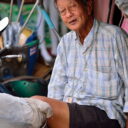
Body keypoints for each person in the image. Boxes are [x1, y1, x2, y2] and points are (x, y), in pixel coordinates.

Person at [32, 0, 128, 128]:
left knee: (37, 105)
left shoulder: (115, 36)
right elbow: (56, 89)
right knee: (34, 109)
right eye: (63, 11)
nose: (68, 14)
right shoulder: (66, 43)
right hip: (72, 113)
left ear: (88, 7)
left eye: (73, 7)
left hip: (105, 115)